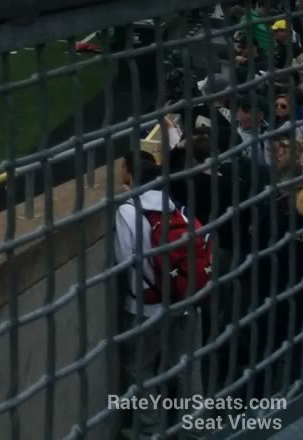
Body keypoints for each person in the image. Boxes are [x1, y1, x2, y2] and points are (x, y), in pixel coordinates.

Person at [112, 147, 203, 439]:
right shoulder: (176, 207)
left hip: (145, 307)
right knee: (188, 366)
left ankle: (150, 430)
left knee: (140, 368)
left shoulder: (127, 210)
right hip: (186, 299)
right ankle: (194, 429)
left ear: (131, 176)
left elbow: (124, 259)